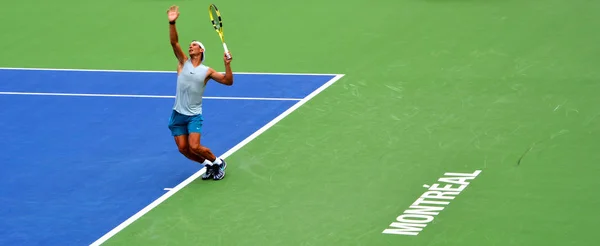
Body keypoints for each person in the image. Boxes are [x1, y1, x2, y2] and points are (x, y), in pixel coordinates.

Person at [166, 5, 233, 180]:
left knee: (194, 146)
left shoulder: (207, 71)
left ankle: (218, 162)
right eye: (189, 45)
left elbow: (228, 81)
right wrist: (172, 23)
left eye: (194, 45)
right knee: (183, 149)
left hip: (193, 115)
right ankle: (209, 165)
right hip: (177, 114)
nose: (190, 47)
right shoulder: (183, 63)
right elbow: (174, 43)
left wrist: (227, 65)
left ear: (201, 50)